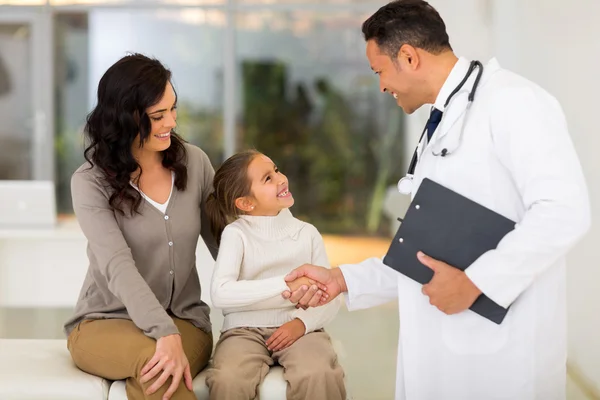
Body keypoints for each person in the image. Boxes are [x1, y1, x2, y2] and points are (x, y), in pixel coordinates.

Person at [283, 1, 591, 399]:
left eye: (379, 71)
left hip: (499, 361)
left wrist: (476, 282)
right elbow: (429, 255)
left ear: (409, 57)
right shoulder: (440, 123)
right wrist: (344, 280)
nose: (381, 86)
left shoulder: (514, 101)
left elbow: (564, 211)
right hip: (444, 356)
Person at [64, 53, 218, 400]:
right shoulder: (90, 182)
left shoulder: (195, 163)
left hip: (185, 322)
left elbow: (227, 244)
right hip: (104, 323)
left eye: (173, 109)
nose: (171, 123)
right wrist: (161, 332)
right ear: (124, 119)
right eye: (157, 116)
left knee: (159, 374)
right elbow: (117, 264)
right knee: (157, 366)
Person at [203, 150, 346, 400]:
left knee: (318, 374)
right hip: (242, 331)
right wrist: (287, 283)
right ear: (246, 203)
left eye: (277, 170)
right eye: (268, 178)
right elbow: (220, 293)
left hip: (301, 327)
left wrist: (301, 324)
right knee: (228, 380)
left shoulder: (307, 233)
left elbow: (331, 296)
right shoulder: (236, 235)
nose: (281, 178)